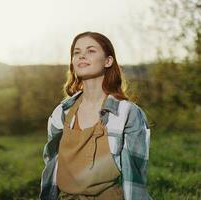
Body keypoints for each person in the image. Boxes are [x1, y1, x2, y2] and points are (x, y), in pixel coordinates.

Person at [39, 31, 152, 200]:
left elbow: (134, 177)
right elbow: (51, 164)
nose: (81, 56)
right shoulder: (61, 113)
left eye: (91, 51)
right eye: (76, 52)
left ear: (108, 61)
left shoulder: (127, 113)